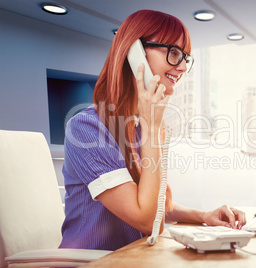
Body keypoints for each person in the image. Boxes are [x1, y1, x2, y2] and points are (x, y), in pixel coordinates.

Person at [59, 9, 246, 251]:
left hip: (134, 259)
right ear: (134, 52)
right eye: (174, 52)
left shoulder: (142, 125)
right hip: (93, 263)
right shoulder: (87, 129)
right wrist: (152, 126)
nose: (181, 68)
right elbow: (149, 221)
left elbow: (151, 204)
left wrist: (203, 215)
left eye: (185, 58)